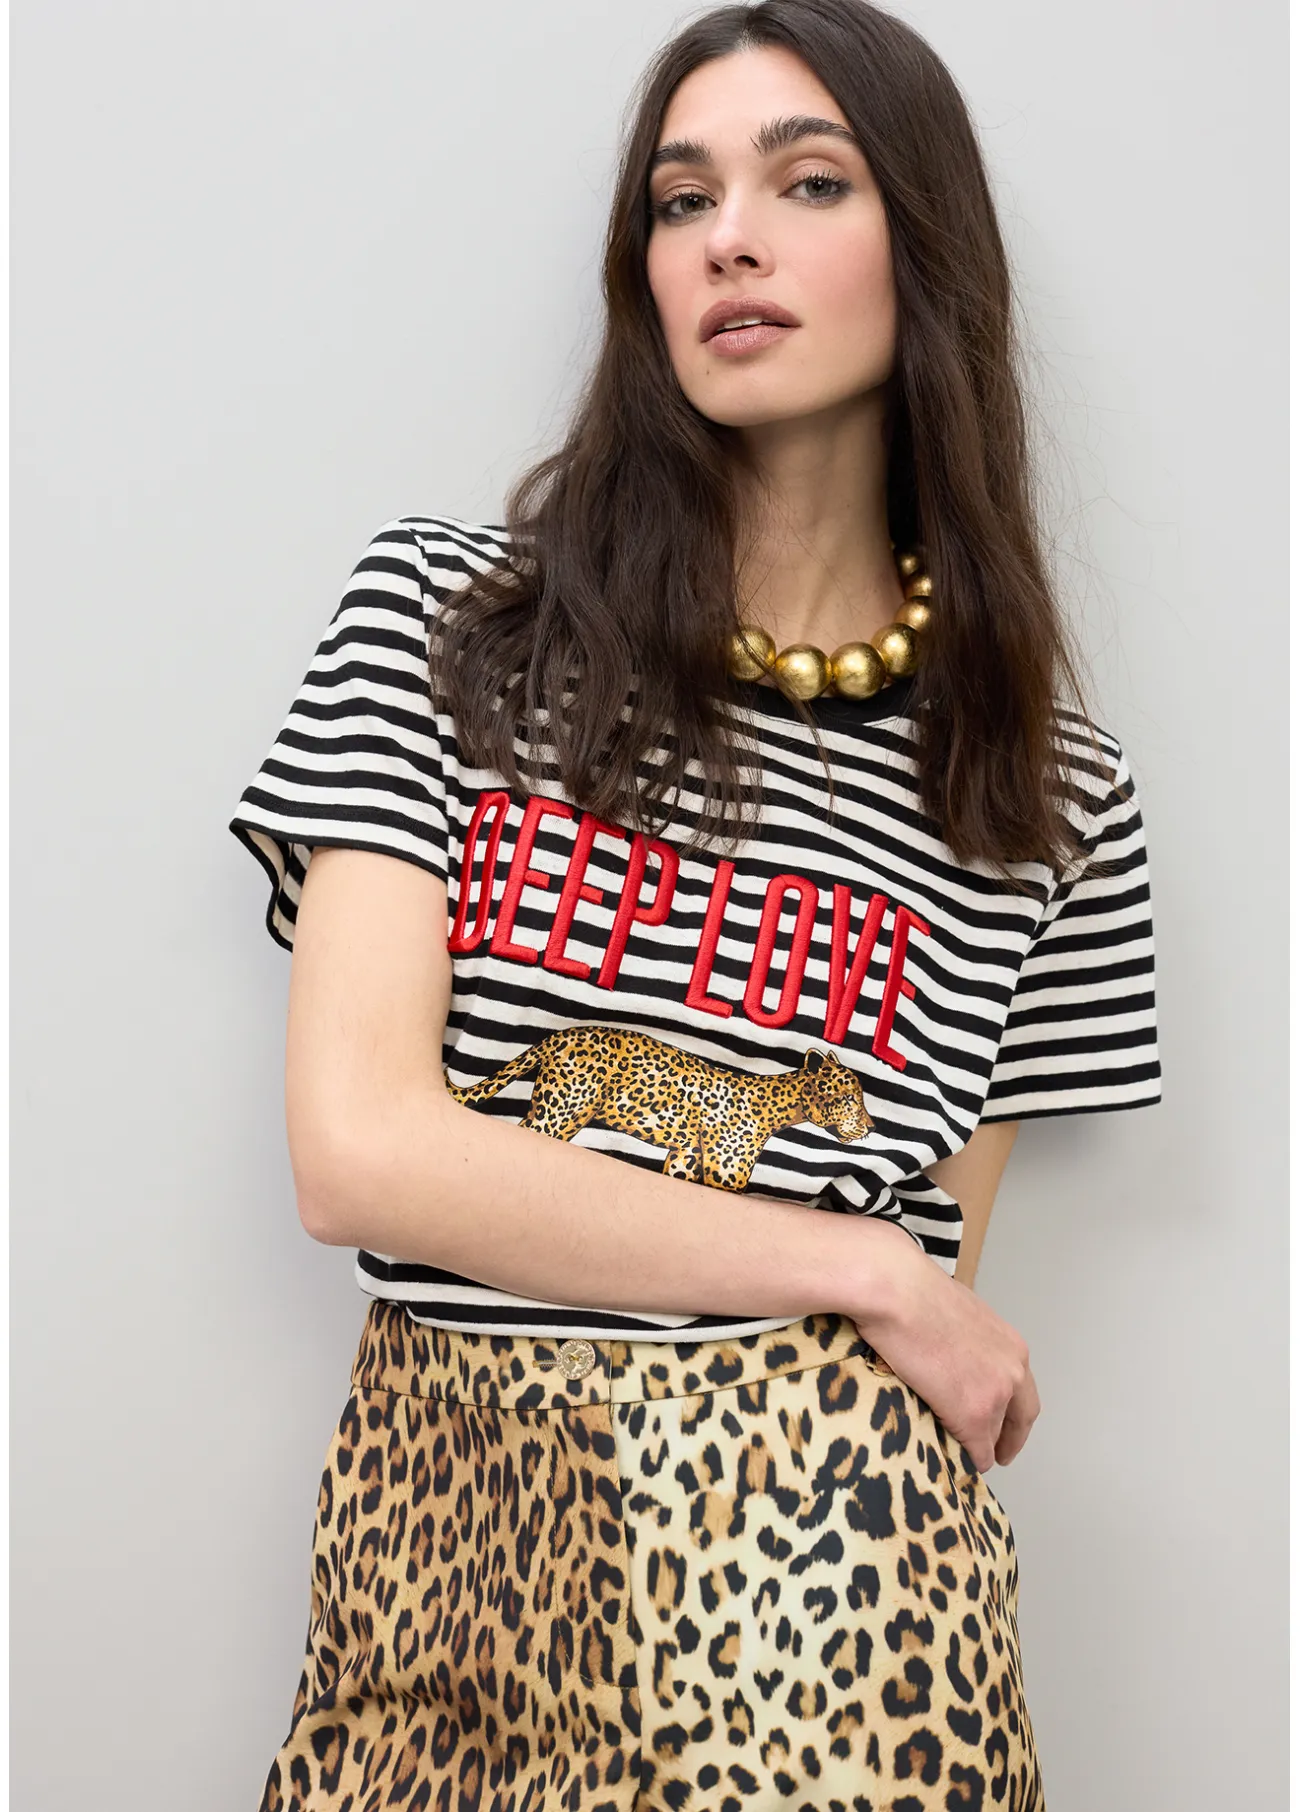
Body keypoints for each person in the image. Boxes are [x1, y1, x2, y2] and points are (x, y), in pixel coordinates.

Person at [229, 2, 1161, 1806]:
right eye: (681, 198)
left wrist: (885, 1280)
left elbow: (940, 1302)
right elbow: (360, 1155)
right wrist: (847, 1257)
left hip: (840, 1611)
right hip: (451, 1554)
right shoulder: (450, 631)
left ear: (926, 252)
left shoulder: (1043, 792)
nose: (729, 236)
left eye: (808, 183)